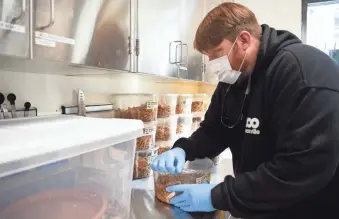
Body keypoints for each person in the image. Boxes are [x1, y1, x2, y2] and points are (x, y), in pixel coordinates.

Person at [151, 2, 339, 219]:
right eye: (209, 58)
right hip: (261, 205)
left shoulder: (302, 74)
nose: (213, 65)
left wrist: (219, 196)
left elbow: (300, 169)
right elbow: (214, 131)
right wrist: (185, 149)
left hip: (309, 209)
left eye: (218, 54)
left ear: (244, 40)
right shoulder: (233, 80)